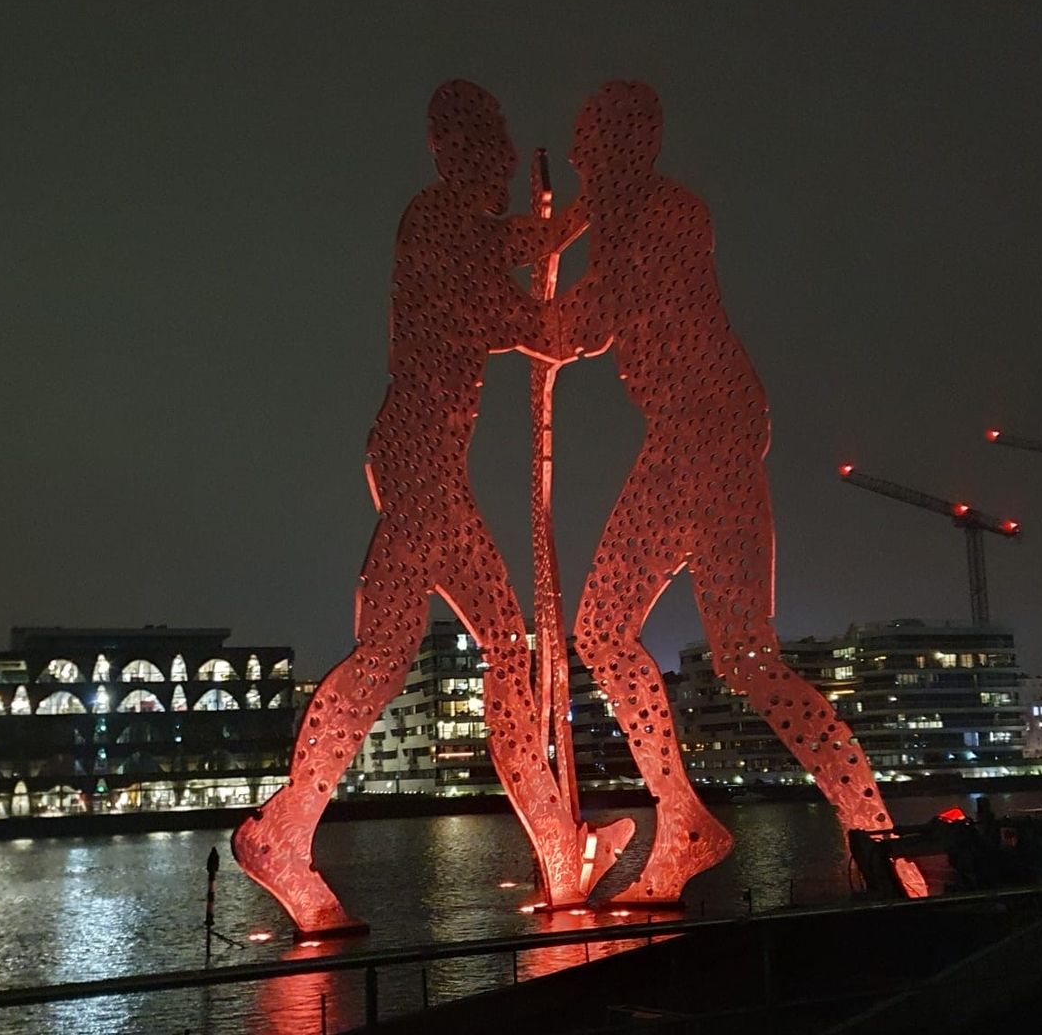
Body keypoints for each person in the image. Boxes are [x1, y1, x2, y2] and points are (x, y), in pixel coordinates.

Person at [233, 81, 631, 936]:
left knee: (407, 653)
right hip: (419, 468)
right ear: (453, 156)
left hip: (427, 465)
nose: (492, 175)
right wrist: (585, 319)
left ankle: (294, 831)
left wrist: (572, 222)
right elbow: (517, 314)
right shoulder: (437, 222)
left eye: (497, 162)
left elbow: (518, 243)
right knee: (475, 652)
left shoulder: (463, 225)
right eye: (482, 158)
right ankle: (555, 851)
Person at [555, 82, 925, 903]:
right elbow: (587, 250)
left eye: (587, 144)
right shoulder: (637, 210)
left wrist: (502, 315)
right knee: (735, 655)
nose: (577, 160)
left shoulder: (655, 215)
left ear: (620, 147)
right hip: (702, 432)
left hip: (699, 432)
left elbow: (582, 321)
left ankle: (707, 823)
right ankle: (874, 841)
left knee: (620, 632)